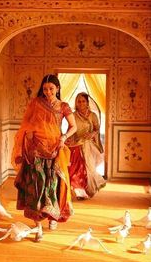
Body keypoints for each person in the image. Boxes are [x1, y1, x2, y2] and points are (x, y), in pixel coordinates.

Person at [11, 74, 77, 242]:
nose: (48, 92)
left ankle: (52, 216)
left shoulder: (64, 106)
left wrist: (63, 138)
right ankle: (38, 226)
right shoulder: (35, 103)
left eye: (51, 89)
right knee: (37, 187)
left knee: (52, 185)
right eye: (45, 89)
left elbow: (73, 126)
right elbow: (26, 123)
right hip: (36, 150)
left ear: (58, 89)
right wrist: (29, 134)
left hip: (55, 149)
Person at [66, 92, 106, 200]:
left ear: (87, 102)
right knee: (76, 169)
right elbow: (71, 129)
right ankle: (80, 191)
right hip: (76, 143)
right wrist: (67, 139)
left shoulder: (93, 115)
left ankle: (87, 189)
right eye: (79, 101)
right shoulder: (73, 115)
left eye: (83, 101)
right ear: (76, 103)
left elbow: (97, 129)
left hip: (89, 145)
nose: (81, 103)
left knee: (88, 169)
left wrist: (92, 134)